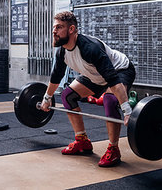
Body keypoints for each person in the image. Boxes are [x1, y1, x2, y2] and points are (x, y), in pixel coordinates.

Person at [40, 11, 135, 167]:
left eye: (59, 27)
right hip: (94, 75)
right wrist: (46, 98)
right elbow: (56, 77)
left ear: (71, 29)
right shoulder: (62, 52)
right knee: (68, 96)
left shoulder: (90, 48)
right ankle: (82, 141)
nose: (54, 31)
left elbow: (113, 80)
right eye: (54, 27)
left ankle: (114, 149)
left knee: (110, 101)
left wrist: (127, 111)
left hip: (119, 70)